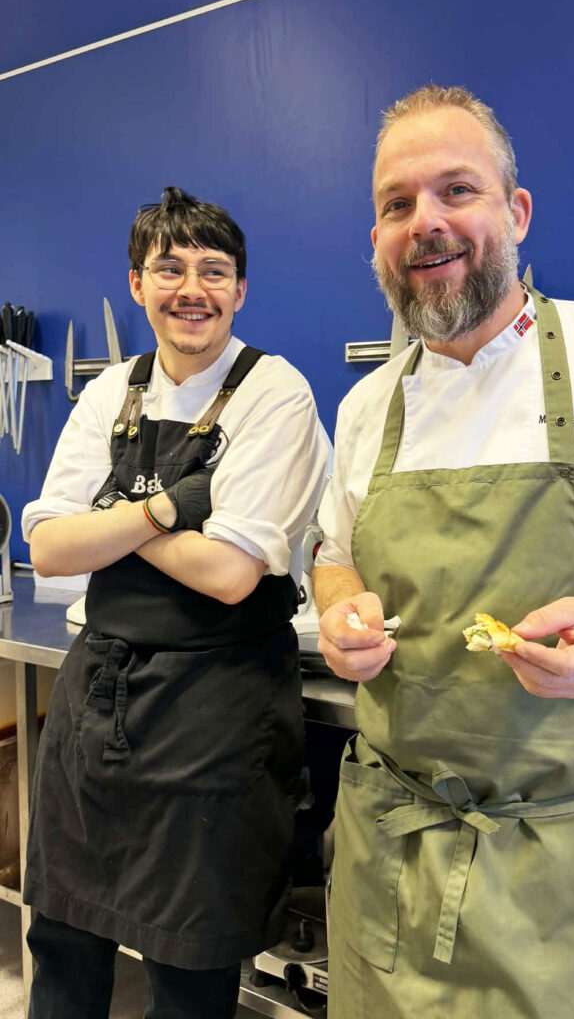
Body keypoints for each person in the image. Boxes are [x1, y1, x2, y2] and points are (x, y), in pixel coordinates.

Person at [313, 85, 574, 1018]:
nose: (426, 223)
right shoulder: (365, 407)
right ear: (375, 236)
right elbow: (331, 554)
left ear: (516, 211)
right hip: (392, 847)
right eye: (396, 204)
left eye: (456, 190)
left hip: (560, 862)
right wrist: (339, 609)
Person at [22, 186, 329, 1018]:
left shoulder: (275, 394)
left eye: (213, 271)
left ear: (239, 289)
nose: (191, 288)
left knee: (188, 962)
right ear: (136, 284)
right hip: (99, 698)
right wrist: (167, 507)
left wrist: (111, 521)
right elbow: (46, 547)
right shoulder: (108, 391)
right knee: (62, 935)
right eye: (169, 268)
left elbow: (230, 573)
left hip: (214, 707)